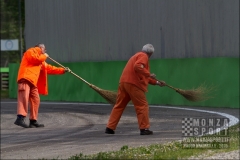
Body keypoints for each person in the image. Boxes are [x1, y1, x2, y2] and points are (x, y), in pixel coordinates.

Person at [105, 44, 166, 135]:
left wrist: (157, 83)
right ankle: (144, 128)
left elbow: (141, 74)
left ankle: (110, 127)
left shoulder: (135, 56)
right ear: (151, 53)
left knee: (119, 105)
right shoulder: (143, 56)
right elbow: (138, 67)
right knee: (142, 106)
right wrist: (148, 74)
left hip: (124, 83)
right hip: (134, 85)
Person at [14, 43, 71, 128]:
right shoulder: (30, 51)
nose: (45, 52)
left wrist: (63, 70)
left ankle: (33, 120)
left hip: (33, 82)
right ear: (41, 48)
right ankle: (20, 118)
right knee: (24, 98)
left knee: (36, 100)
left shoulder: (41, 61)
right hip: (25, 78)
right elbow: (34, 59)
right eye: (45, 50)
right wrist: (45, 56)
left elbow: (49, 68)